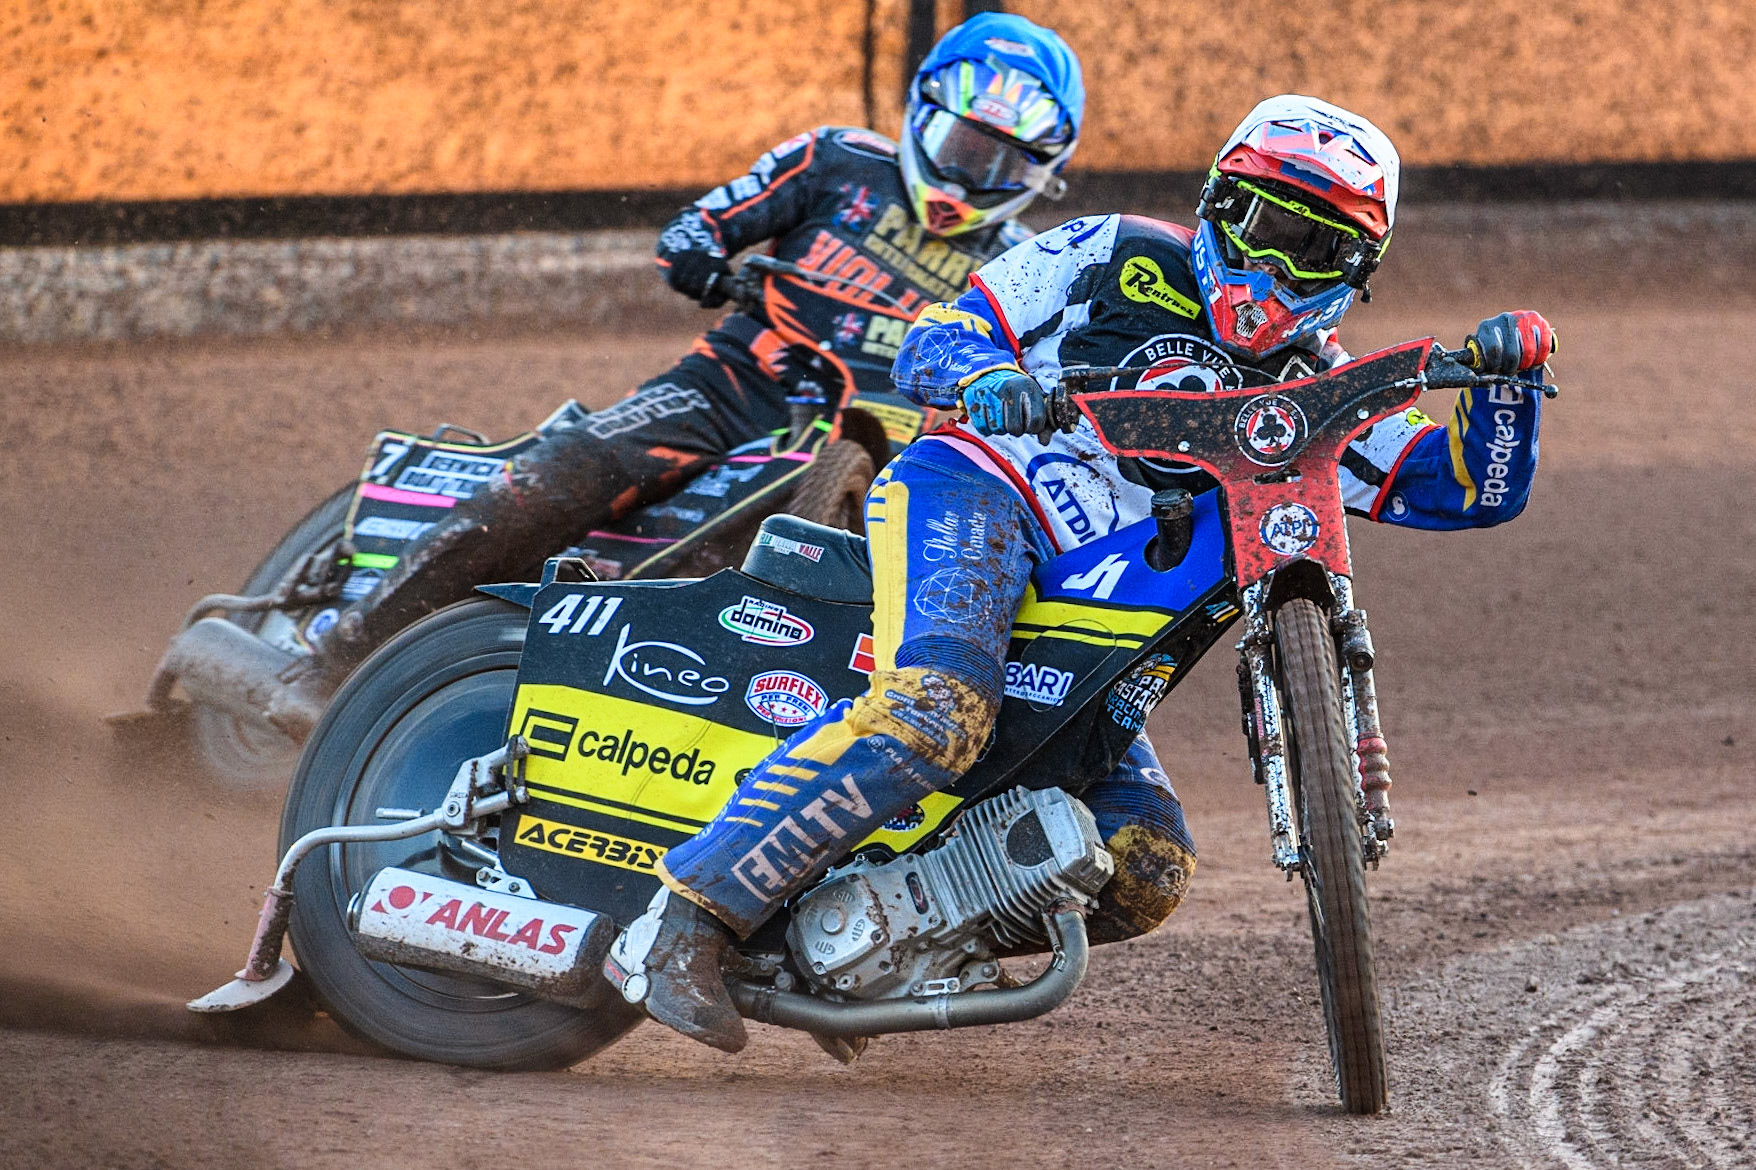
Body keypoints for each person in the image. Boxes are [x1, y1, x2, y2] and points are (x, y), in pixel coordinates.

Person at [619, 95, 1556, 1052]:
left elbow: (1459, 487)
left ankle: (866, 948)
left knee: (1144, 864)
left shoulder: (1314, 390)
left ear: (1358, 272)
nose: (1277, 268)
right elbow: (938, 334)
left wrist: (1508, 386)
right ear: (1217, 204)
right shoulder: (1110, 251)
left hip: (1102, 605)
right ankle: (685, 917)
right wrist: (987, 377)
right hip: (981, 492)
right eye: (1264, 227)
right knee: (937, 712)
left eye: (1316, 252)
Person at [269, 13, 1086, 731]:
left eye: (1005, 165)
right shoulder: (834, 159)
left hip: (879, 459)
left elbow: (1044, 385)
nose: (973, 178)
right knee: (565, 473)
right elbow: (698, 227)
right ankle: (336, 655)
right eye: (965, 147)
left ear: (1043, 177)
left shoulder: (1026, 268)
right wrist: (705, 262)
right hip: (732, 389)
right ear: (921, 114)